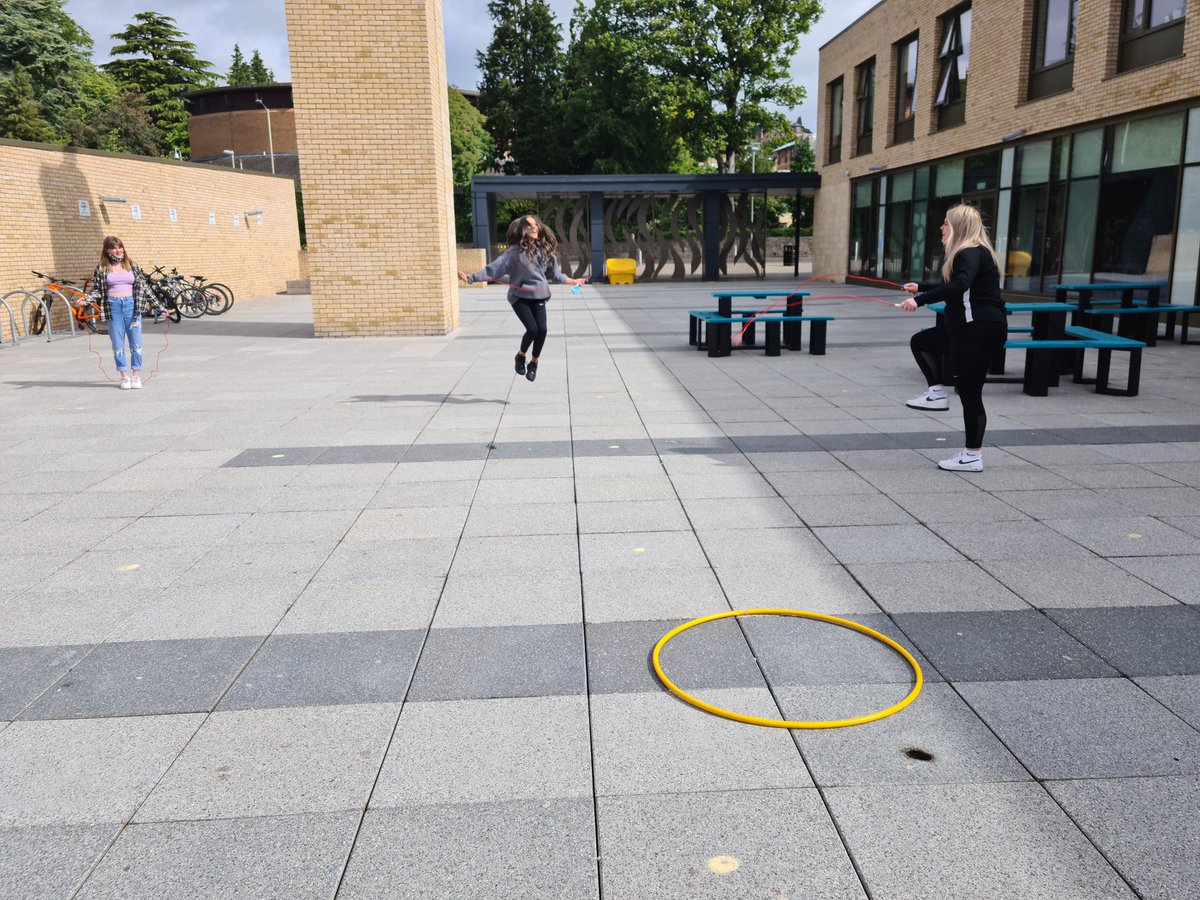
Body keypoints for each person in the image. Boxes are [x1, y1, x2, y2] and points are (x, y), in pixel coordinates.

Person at [898, 203, 1006, 472]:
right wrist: (921, 287)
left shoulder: (968, 252)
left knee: (970, 393)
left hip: (975, 329)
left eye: (946, 223)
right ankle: (936, 393)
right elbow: (959, 285)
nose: (941, 227)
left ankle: (972, 455)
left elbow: (960, 285)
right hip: (977, 328)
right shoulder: (978, 253)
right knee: (922, 342)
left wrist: (919, 299)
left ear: (958, 227)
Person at [458, 215, 585, 383]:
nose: (535, 228)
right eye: (530, 226)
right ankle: (520, 356)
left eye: (536, 225)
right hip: (519, 298)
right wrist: (470, 278)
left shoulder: (543, 250)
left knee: (543, 330)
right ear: (522, 230)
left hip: (538, 295)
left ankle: (533, 363)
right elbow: (493, 269)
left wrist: (572, 281)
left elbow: (554, 274)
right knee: (532, 329)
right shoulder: (513, 253)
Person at [80, 236, 156, 390]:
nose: (118, 250)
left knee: (136, 343)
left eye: (120, 247)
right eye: (114, 248)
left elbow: (145, 287)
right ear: (107, 250)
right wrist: (86, 299)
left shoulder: (131, 265)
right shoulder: (102, 268)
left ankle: (136, 375)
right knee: (118, 344)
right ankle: (124, 376)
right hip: (113, 307)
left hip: (132, 306)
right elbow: (97, 290)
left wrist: (159, 306)